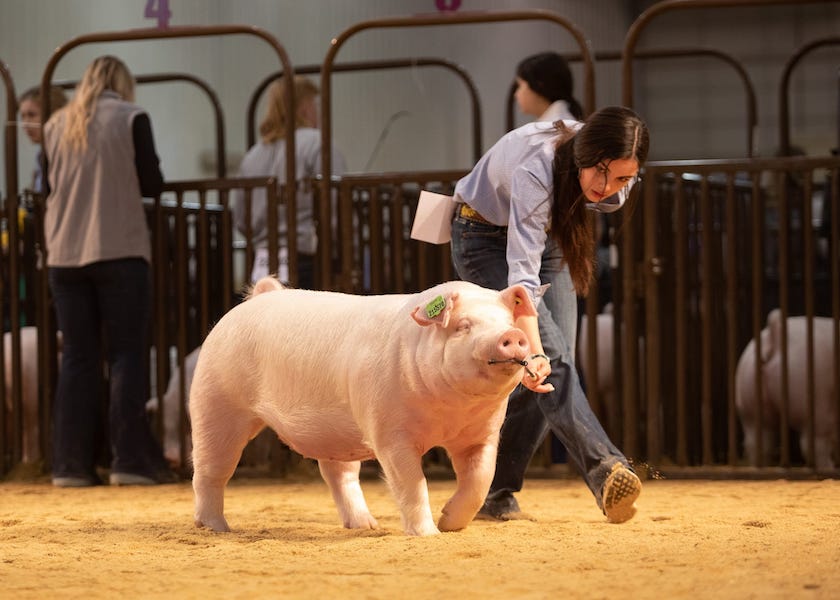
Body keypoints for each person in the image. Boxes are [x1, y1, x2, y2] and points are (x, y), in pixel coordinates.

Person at [450, 106, 649, 523]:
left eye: (623, 179)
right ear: (584, 154)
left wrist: (536, 359)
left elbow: (600, 192)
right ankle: (606, 469)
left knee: (550, 370)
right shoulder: (536, 169)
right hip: (482, 236)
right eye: (600, 171)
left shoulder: (616, 174)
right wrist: (535, 351)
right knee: (551, 361)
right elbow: (522, 280)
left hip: (549, 235)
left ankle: (494, 488)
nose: (607, 187)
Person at [41, 55, 176, 487]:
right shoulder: (132, 116)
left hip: (63, 253)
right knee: (126, 354)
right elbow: (152, 182)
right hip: (118, 247)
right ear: (122, 82)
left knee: (78, 358)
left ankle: (70, 464)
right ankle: (129, 459)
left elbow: (48, 185)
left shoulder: (55, 124)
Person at [232, 75, 346, 289]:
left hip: (261, 260)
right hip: (308, 258)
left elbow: (240, 219)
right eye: (314, 105)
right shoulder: (317, 143)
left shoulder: (252, 155)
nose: (317, 113)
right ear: (304, 108)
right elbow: (335, 207)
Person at [17, 84, 68, 193]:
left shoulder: (66, 152)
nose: (25, 124)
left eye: (32, 115)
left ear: (53, 114)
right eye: (23, 116)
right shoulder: (41, 154)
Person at [514, 51, 584, 123]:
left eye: (520, 85)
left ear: (539, 85)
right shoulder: (558, 121)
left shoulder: (555, 126)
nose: (516, 94)